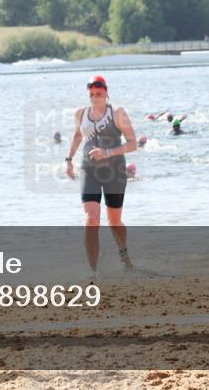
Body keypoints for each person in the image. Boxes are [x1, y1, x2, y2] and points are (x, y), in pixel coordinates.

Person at [65, 75, 138, 279]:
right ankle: (92, 271)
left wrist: (107, 153)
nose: (95, 98)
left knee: (114, 222)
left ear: (106, 93)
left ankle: (124, 256)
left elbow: (133, 143)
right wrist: (69, 159)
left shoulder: (117, 113)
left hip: (115, 171)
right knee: (91, 219)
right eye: (91, 94)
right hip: (89, 170)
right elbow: (78, 135)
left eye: (99, 94)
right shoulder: (80, 114)